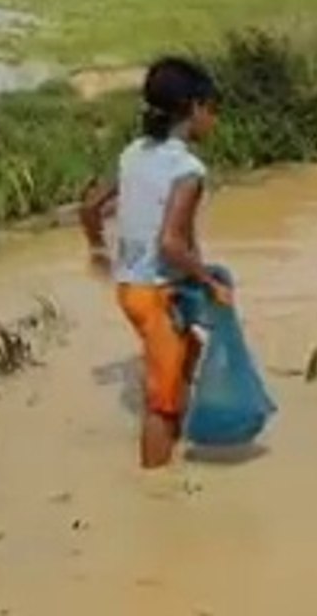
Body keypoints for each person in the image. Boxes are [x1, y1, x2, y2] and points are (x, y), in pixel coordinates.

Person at [80, 57, 230, 469]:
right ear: (194, 108)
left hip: (132, 288)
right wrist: (210, 282)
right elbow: (170, 244)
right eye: (212, 110)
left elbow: (91, 206)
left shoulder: (133, 153)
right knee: (160, 401)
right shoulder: (188, 169)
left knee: (189, 350)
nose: (213, 120)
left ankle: (173, 437)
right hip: (154, 291)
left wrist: (97, 250)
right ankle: (157, 494)